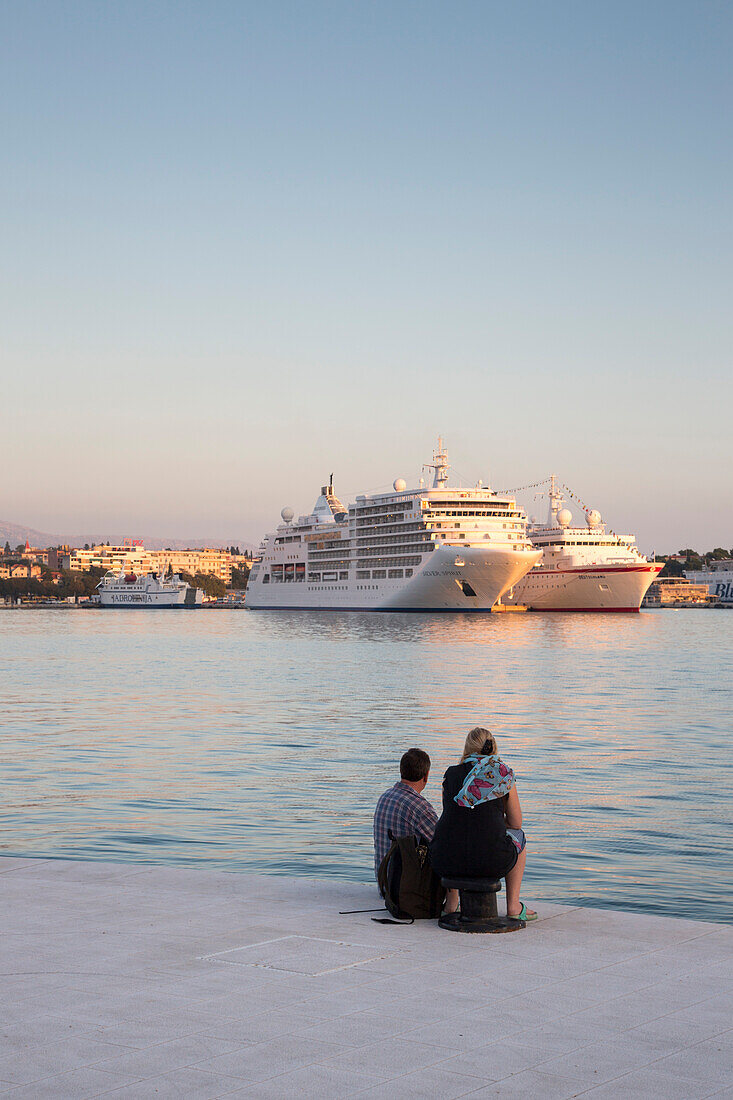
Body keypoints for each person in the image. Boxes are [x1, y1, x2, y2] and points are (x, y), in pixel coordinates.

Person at [429, 727, 537, 921]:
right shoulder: (502, 774)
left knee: (454, 832)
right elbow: (515, 822)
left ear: (467, 748)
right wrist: (494, 821)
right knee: (519, 836)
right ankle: (513, 906)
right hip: (491, 861)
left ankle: (452, 903)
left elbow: (453, 816)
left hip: (445, 859)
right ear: (493, 747)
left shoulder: (451, 774)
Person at [373, 748, 461, 916]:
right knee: (451, 849)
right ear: (426, 776)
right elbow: (443, 844)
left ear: (401, 771)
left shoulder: (384, 797)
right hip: (405, 890)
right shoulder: (420, 807)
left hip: (385, 886)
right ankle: (453, 901)